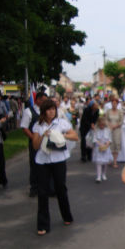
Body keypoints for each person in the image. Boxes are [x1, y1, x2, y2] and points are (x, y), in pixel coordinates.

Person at [32, 99, 79, 236]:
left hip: (59, 159)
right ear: (44, 111)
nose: (52, 112)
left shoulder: (61, 123)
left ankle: (67, 216)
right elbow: (35, 146)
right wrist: (43, 135)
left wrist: (61, 135)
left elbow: (75, 136)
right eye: (49, 109)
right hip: (43, 161)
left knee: (60, 188)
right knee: (42, 192)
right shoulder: (38, 125)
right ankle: (43, 224)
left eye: (53, 109)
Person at [21, 92, 47, 197]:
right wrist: (34, 139)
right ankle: (34, 187)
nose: (45, 102)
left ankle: (46, 186)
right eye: (44, 100)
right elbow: (24, 127)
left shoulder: (46, 111)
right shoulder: (29, 111)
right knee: (35, 164)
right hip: (35, 142)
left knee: (46, 164)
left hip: (46, 142)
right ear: (38, 100)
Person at [92, 117, 113, 183]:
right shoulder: (96, 130)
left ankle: (103, 174)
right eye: (100, 125)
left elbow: (110, 139)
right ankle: (98, 176)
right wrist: (99, 143)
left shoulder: (108, 130)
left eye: (103, 125)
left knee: (105, 163)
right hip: (98, 148)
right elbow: (94, 139)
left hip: (106, 148)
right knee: (99, 162)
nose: (102, 126)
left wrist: (107, 143)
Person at [106, 95, 124, 168]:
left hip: (117, 129)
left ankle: (115, 161)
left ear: (117, 104)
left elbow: (121, 121)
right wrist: (109, 125)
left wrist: (116, 126)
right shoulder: (108, 111)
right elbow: (106, 119)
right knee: (110, 144)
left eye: (115, 103)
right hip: (109, 129)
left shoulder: (120, 112)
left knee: (117, 143)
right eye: (113, 103)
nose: (114, 104)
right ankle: (110, 159)